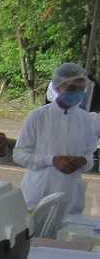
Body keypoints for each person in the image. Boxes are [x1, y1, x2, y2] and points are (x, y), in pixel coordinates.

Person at [15, 62, 100, 216]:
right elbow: (19, 155)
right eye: (72, 88)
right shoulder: (38, 117)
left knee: (64, 239)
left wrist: (83, 162)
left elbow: (89, 159)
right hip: (37, 196)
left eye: (81, 90)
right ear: (57, 87)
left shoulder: (88, 121)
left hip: (71, 200)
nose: (77, 94)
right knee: (36, 239)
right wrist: (52, 160)